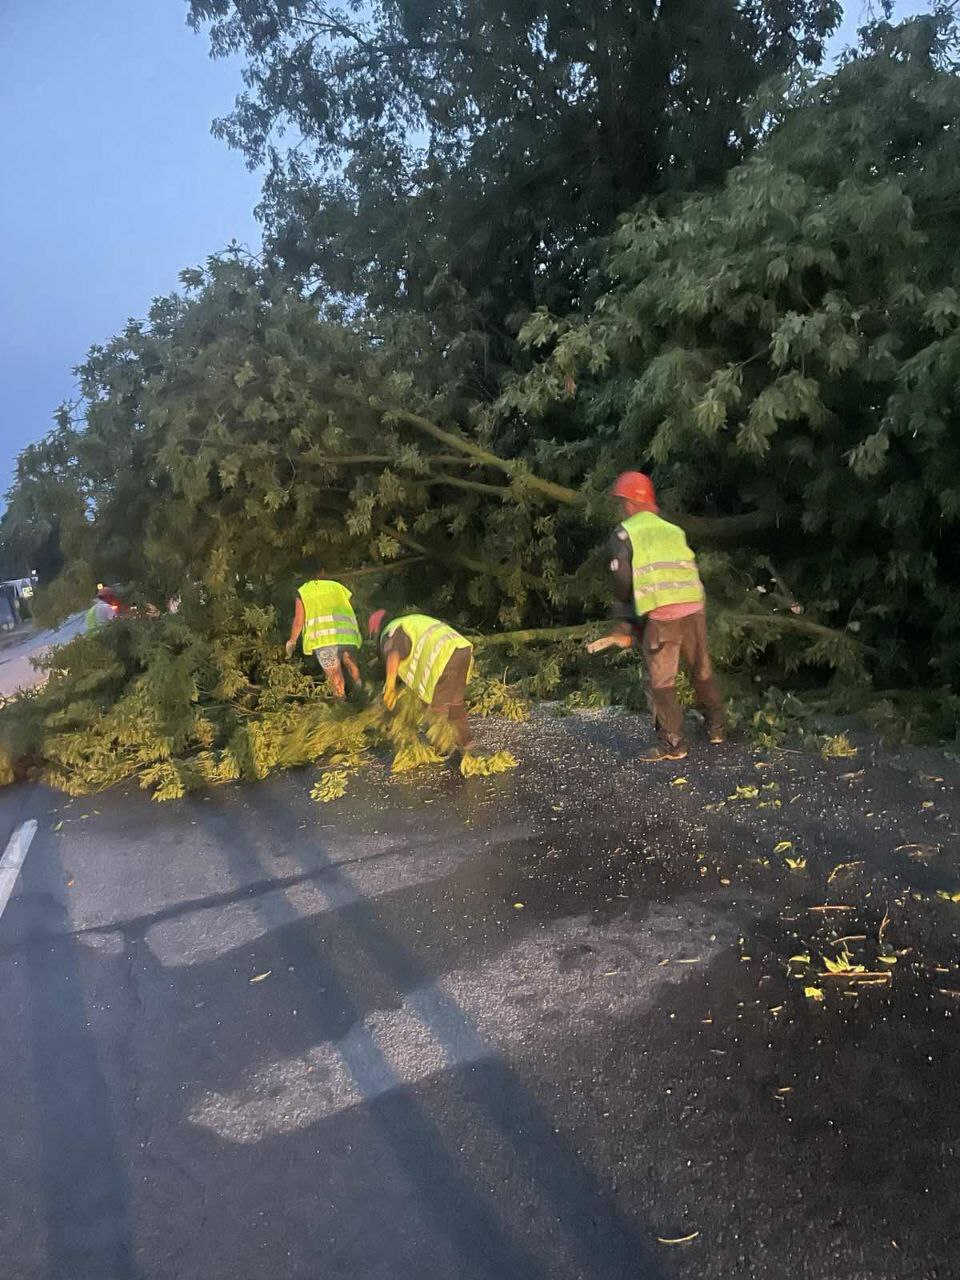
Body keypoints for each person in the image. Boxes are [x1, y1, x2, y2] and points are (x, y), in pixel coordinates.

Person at [586, 471, 726, 761]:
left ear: (629, 503)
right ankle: (717, 728)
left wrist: (625, 620)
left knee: (662, 681)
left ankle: (673, 745)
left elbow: (623, 580)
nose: (622, 507)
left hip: (663, 616)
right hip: (693, 605)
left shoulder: (625, 533)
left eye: (623, 501)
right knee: (701, 670)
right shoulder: (672, 529)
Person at [368, 609, 475, 750]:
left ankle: (448, 749)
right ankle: (467, 745)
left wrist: (390, 686)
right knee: (455, 702)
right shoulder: (409, 623)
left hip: (442, 657)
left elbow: (393, 654)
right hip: (461, 649)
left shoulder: (391, 632)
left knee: (438, 708)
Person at [285, 575, 362, 698]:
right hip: (347, 634)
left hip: (323, 640)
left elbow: (299, 621)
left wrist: (292, 641)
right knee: (351, 664)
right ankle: (363, 694)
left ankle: (342, 707)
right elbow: (353, 606)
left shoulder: (304, 591)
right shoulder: (337, 586)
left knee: (335, 677)